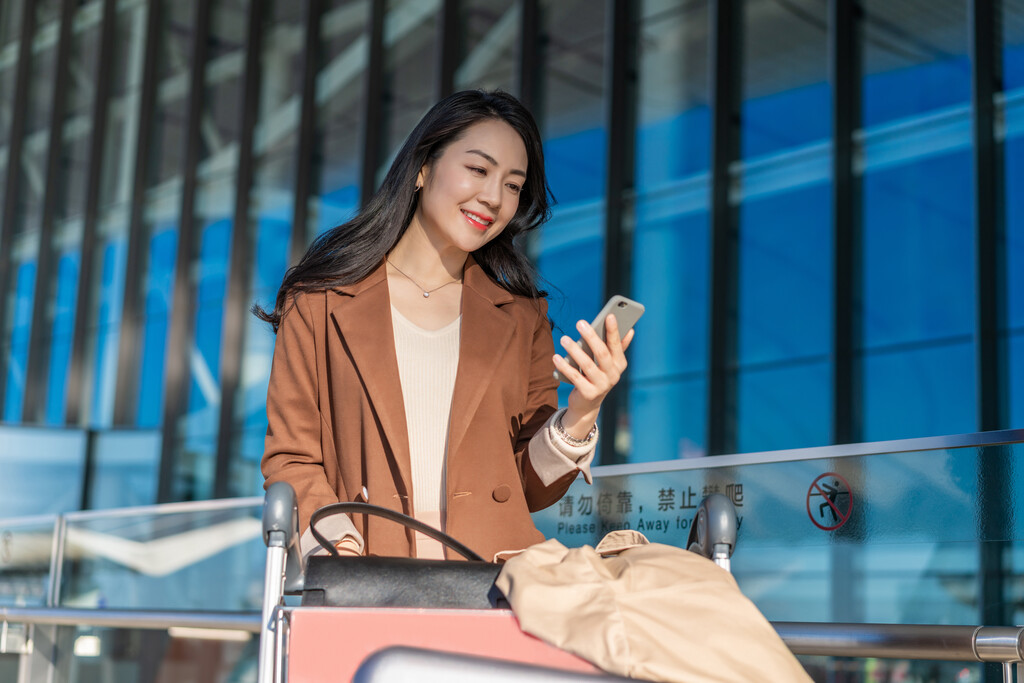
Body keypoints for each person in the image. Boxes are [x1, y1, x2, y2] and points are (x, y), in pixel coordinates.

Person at [259, 90, 634, 562]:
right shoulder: (318, 303)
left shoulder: (521, 318)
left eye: (514, 185)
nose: (494, 198)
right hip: (366, 575)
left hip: (490, 588)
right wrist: (342, 553)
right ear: (422, 167)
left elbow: (529, 489)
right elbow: (292, 459)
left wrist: (582, 410)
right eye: (478, 170)